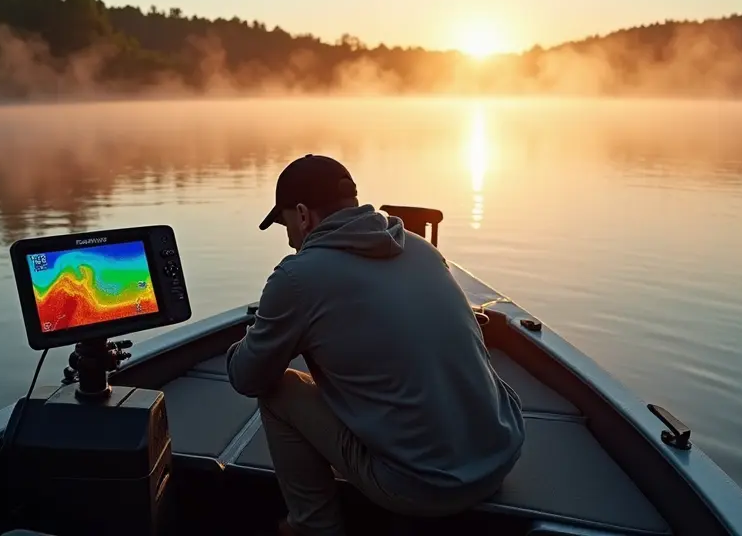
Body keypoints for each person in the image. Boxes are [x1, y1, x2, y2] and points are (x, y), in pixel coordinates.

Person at [225, 154, 526, 536]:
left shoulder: (298, 277)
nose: (289, 240)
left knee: (279, 390)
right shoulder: (421, 248)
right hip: (502, 457)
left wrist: (246, 344)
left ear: (302, 215)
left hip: (423, 490)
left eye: (285, 226)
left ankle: (313, 526)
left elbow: (247, 378)